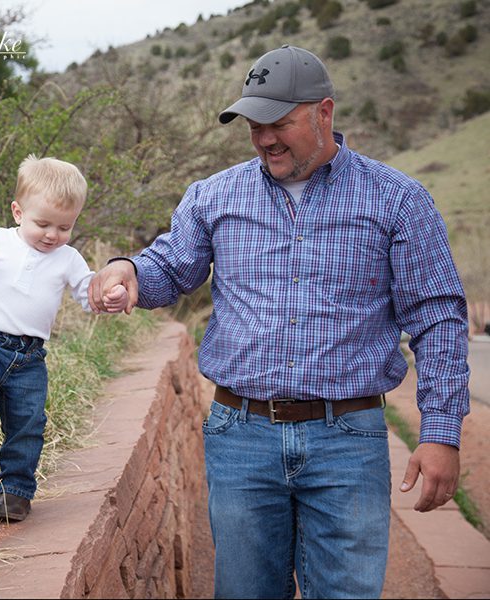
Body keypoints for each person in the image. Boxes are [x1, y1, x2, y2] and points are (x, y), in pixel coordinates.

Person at [89, 45, 470, 598]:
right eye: (253, 124)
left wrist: (440, 434)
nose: (264, 137)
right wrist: (126, 269)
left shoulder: (398, 201)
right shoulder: (213, 196)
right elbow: (170, 266)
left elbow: (437, 319)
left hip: (349, 440)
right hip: (240, 437)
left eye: (279, 122)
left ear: (324, 113)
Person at [0, 155, 128, 522]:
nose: (52, 235)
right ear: (18, 212)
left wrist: (111, 297)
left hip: (29, 357)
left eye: (64, 227)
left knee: (28, 422)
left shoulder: (69, 258)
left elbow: (87, 294)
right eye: (43, 223)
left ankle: (15, 491)